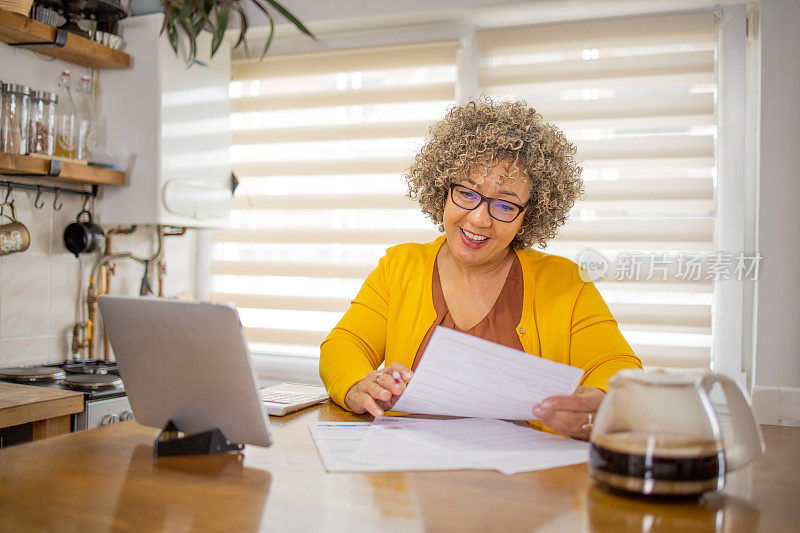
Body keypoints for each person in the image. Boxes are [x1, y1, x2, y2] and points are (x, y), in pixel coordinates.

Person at [319, 98, 642, 440]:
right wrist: (357, 385)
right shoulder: (399, 267)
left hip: (524, 484)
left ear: (528, 215)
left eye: (504, 204)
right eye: (467, 193)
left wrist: (602, 403)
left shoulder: (566, 283)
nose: (478, 218)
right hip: (411, 478)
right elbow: (345, 343)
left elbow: (619, 368)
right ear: (443, 190)